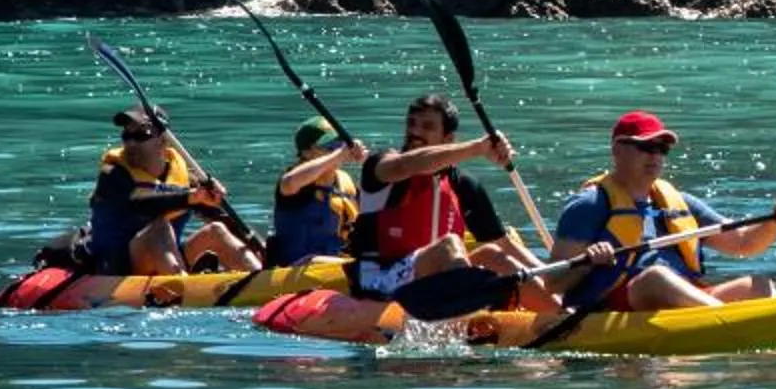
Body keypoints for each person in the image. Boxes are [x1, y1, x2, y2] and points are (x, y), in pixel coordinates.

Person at [547, 111, 776, 310]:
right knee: (655, 277)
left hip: (685, 300)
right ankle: (728, 321)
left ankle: (773, 322)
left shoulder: (679, 202)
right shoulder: (590, 204)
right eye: (646, 147)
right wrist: (588, 263)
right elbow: (553, 283)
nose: (655, 156)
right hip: (617, 305)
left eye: (662, 149)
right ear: (617, 150)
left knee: (757, 285)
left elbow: (743, 243)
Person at [351, 92, 540, 299]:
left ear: (448, 139)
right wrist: (479, 148)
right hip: (380, 281)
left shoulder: (462, 184)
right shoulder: (382, 168)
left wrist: (555, 271)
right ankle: (462, 319)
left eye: (427, 127)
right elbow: (408, 164)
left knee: (495, 256)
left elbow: (505, 244)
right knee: (449, 246)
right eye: (412, 124)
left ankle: (563, 313)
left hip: (434, 279)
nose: (415, 132)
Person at [87, 106, 261, 276]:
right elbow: (139, 206)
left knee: (217, 231)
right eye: (127, 135)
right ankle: (185, 290)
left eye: (141, 135)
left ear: (164, 141)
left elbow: (219, 215)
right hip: (118, 267)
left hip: (167, 260)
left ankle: (260, 276)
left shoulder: (185, 178)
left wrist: (256, 244)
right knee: (159, 228)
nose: (131, 143)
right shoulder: (112, 174)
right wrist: (189, 198)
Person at [267, 118, 363, 267]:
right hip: (299, 266)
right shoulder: (295, 180)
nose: (337, 149)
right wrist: (339, 154)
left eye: (340, 144)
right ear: (306, 152)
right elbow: (289, 182)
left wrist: (371, 164)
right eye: (330, 146)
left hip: (337, 261)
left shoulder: (345, 182)